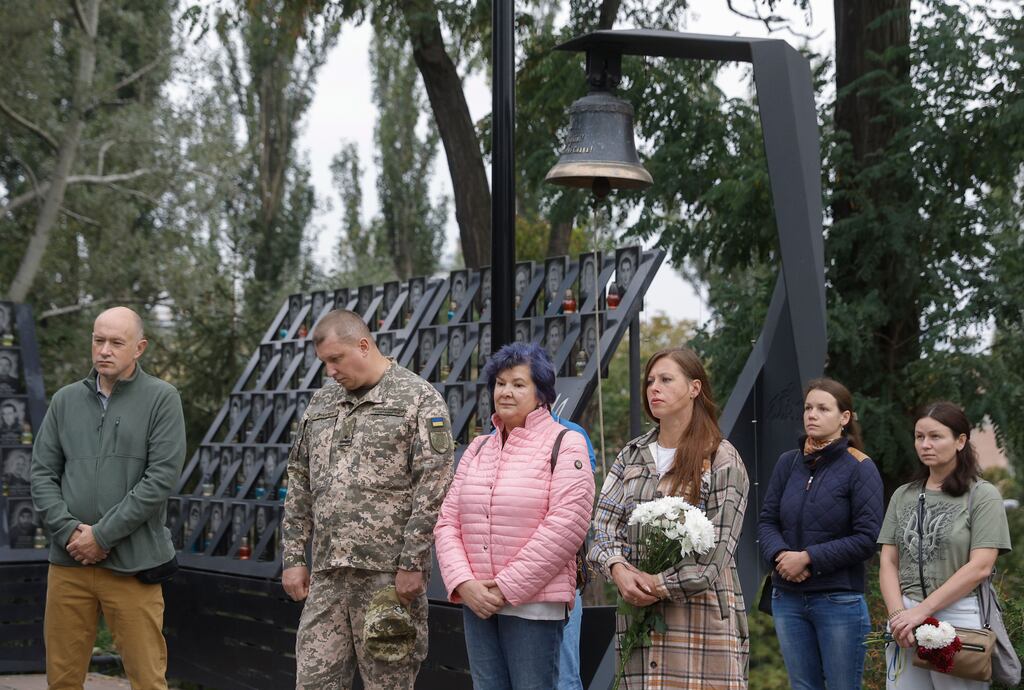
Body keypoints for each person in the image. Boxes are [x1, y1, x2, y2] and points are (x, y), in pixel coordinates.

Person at [281, 309, 455, 689]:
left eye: (335, 359)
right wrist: (294, 557)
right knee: (312, 683)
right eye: (324, 362)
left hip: (387, 579)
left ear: (363, 345)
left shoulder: (418, 399)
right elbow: (299, 480)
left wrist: (413, 563)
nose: (330, 371)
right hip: (328, 577)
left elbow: (434, 487)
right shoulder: (321, 404)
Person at [30, 306, 186, 690]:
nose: (104, 350)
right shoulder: (65, 401)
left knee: (147, 678)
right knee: (62, 680)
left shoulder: (162, 398)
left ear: (139, 348)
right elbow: (41, 474)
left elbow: (160, 479)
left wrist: (101, 536)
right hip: (68, 564)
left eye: (117, 342)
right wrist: (70, 532)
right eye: (98, 340)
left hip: (133, 565)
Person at [434, 342, 595, 689]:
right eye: (500, 383)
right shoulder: (478, 448)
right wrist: (464, 583)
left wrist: (506, 587)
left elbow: (567, 526)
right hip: (478, 603)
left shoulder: (566, 443)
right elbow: (448, 522)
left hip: (533, 606)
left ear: (541, 394)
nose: (506, 391)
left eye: (519, 384)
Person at [589, 347, 749, 689]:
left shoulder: (722, 458)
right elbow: (602, 525)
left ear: (694, 388)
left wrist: (655, 585)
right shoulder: (631, 455)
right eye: (649, 381)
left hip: (698, 621)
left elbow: (716, 552)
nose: (653, 388)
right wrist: (618, 570)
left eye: (665, 379)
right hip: (638, 619)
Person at [757, 378, 883, 690]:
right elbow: (767, 521)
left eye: (823, 408)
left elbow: (867, 538)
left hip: (838, 599)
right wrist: (781, 556)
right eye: (808, 407)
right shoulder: (788, 462)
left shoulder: (860, 467)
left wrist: (808, 558)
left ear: (844, 418)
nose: (812, 414)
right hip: (787, 597)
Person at [879, 402, 1012, 690]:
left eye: (935, 436)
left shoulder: (982, 495)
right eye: (919, 436)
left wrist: (921, 611)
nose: (925, 444)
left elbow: (981, 567)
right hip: (905, 617)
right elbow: (889, 561)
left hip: (959, 615)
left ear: (960, 441)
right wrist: (897, 615)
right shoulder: (903, 495)